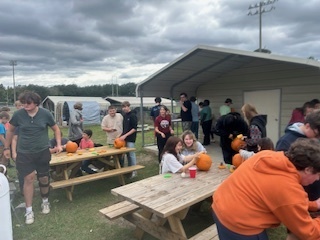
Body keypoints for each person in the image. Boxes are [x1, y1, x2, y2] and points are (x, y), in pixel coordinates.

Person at [212, 138, 320, 240]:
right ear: (308, 169)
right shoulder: (288, 187)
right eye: (318, 175)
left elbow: (283, 200)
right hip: (240, 226)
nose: (318, 179)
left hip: (220, 205)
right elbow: (308, 232)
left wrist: (314, 205)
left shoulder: (267, 156)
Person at [4, 91, 62, 225]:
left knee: (43, 177)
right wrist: (7, 148)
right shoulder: (18, 114)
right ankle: (29, 210)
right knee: (28, 179)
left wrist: (58, 144)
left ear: (36, 103)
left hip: (42, 151)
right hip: (24, 153)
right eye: (23, 102)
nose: (25, 105)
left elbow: (56, 129)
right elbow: (11, 131)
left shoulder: (45, 114)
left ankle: (45, 201)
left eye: (28, 103)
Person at [119, 101, 138, 179]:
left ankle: (134, 171)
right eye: (123, 107)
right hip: (125, 138)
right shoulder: (125, 116)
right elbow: (125, 128)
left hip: (131, 138)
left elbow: (134, 128)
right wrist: (122, 135)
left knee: (131, 155)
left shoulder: (133, 115)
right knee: (127, 155)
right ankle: (130, 170)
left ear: (129, 106)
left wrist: (126, 135)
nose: (124, 108)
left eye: (125, 107)